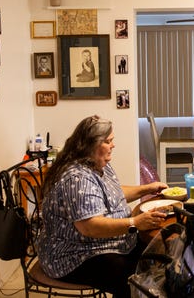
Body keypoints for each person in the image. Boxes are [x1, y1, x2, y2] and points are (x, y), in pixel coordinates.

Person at [36, 115, 168, 297]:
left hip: (100, 243)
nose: (113, 145)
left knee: (155, 257)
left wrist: (146, 189)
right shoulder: (77, 178)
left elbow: (111, 193)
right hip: (73, 254)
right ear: (90, 145)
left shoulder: (97, 163)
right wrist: (135, 223)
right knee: (131, 277)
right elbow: (90, 227)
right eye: (108, 141)